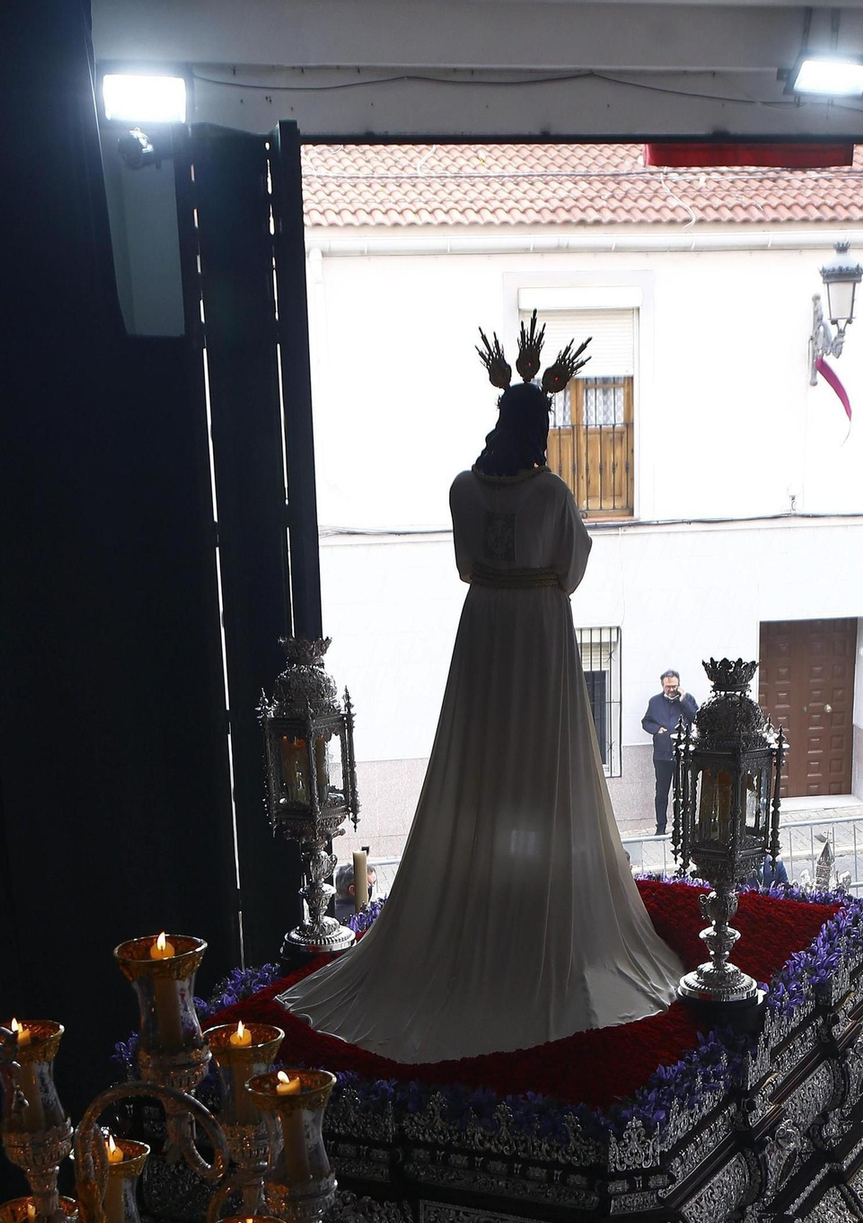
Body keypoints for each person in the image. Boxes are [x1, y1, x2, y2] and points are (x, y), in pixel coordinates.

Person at [286, 317, 682, 1061]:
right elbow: (572, 569)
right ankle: (534, 908)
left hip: (485, 633)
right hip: (537, 631)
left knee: (485, 763)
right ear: (542, 430)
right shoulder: (555, 493)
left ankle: (488, 898)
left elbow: (468, 566)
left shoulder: (464, 489)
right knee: (537, 770)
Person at [642, 668, 698, 838]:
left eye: (674, 686)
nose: (671, 689)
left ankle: (681, 826)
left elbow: (696, 717)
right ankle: (660, 827)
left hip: (682, 754)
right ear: (662, 686)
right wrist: (656, 729)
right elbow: (646, 722)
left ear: (679, 685)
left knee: (681, 793)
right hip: (661, 755)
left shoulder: (687, 699)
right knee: (661, 793)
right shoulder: (654, 702)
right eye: (668, 687)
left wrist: (684, 700)